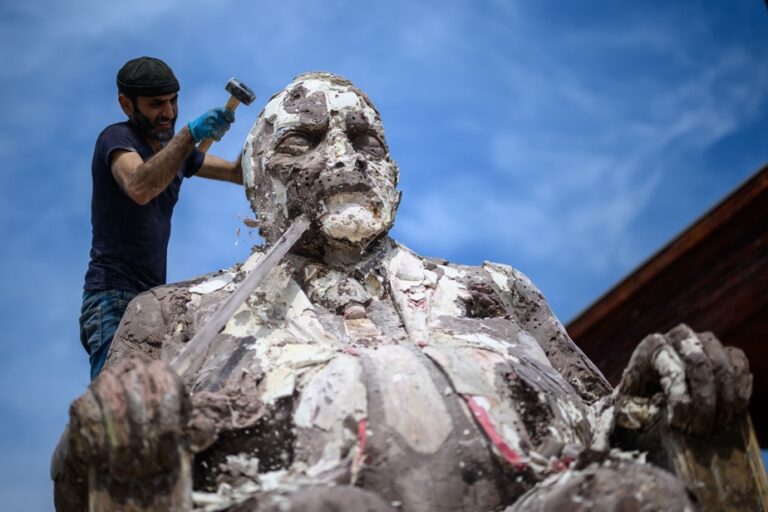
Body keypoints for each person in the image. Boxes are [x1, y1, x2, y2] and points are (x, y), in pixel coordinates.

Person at [54, 72, 752, 511]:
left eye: (363, 137)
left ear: (392, 168)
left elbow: (614, 426)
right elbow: (82, 470)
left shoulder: (493, 290)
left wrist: (659, 398)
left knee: (631, 495)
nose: (343, 157)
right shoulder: (178, 312)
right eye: (303, 143)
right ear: (259, 183)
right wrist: (114, 426)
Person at [80, 56, 243, 380]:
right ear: (127, 105)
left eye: (173, 101)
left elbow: (238, 174)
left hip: (153, 299)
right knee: (120, 400)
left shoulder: (175, 156)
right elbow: (140, 186)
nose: (168, 112)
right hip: (112, 298)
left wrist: (267, 131)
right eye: (157, 104)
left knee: (159, 402)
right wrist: (190, 134)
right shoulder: (117, 139)